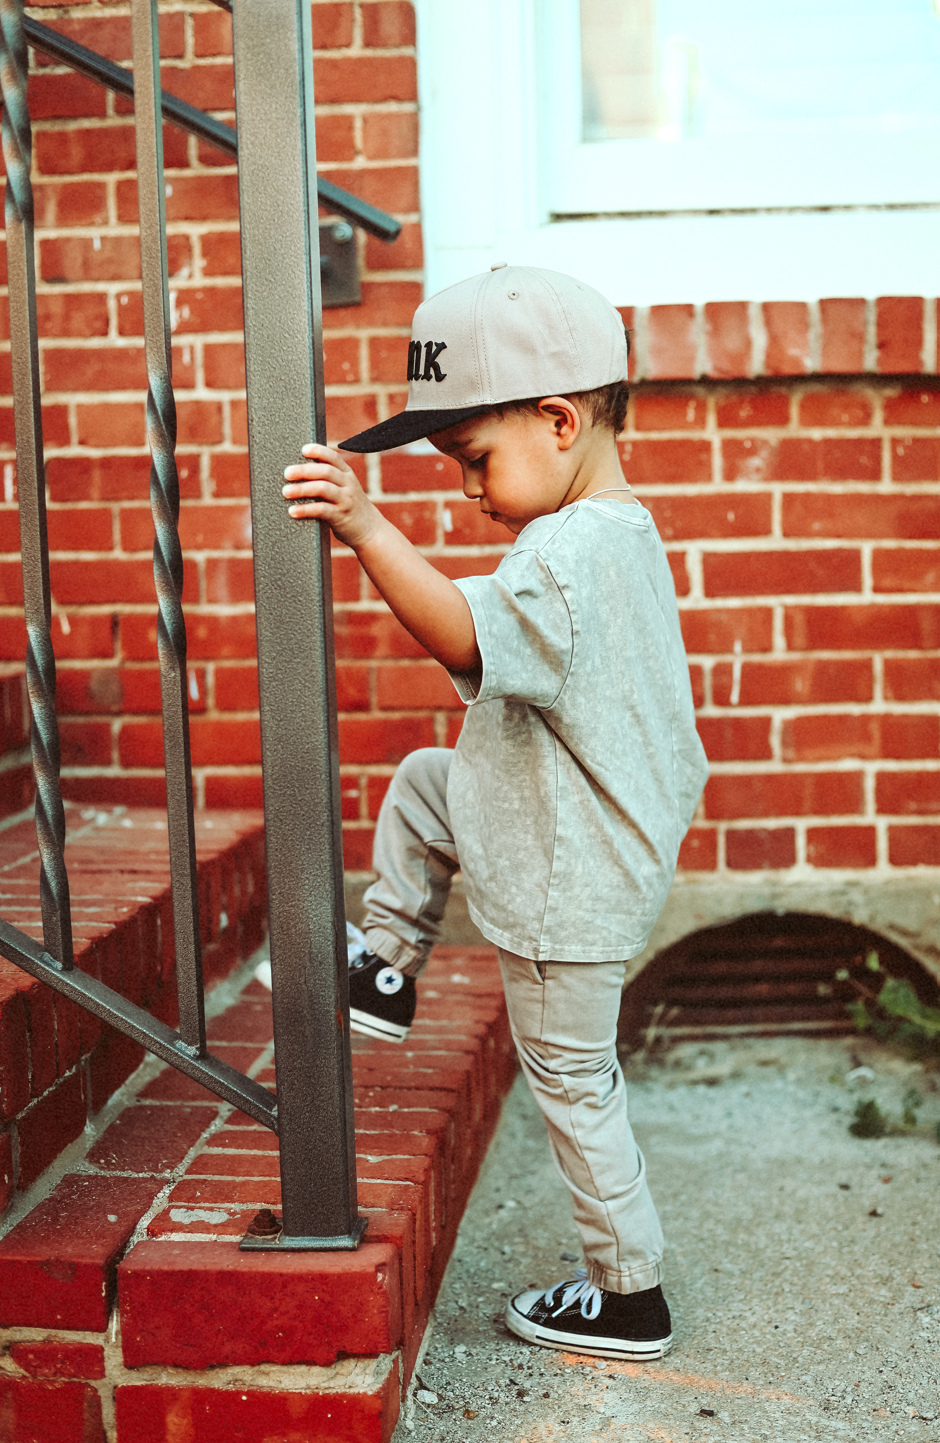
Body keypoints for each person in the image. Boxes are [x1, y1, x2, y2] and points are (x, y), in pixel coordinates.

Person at [282, 264, 708, 1361]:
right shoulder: (618, 533)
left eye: (474, 459)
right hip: (566, 827)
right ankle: (386, 965)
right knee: (429, 783)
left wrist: (367, 530)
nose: (467, 490)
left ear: (559, 420)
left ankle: (627, 1292)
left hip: (574, 879)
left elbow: (463, 637)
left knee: (571, 1077)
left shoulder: (565, 556)